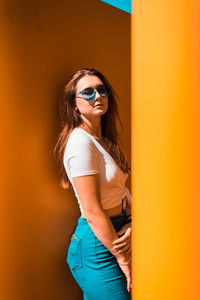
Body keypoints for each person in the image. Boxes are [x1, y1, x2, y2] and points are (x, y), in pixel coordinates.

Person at [54, 68, 132, 300]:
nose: (97, 96)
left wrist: (130, 224)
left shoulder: (103, 141)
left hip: (116, 234)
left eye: (101, 90)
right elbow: (92, 209)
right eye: (87, 92)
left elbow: (121, 193)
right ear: (74, 104)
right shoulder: (79, 141)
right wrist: (122, 258)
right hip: (96, 246)